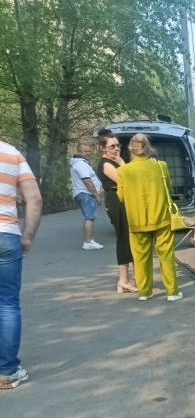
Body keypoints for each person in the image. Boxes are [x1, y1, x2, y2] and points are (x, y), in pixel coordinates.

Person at [116, 133, 182, 302]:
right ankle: (172, 292)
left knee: (140, 257)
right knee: (166, 255)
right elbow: (168, 187)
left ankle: (145, 292)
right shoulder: (161, 166)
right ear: (148, 148)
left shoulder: (122, 170)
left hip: (136, 220)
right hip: (161, 218)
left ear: (130, 149)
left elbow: (121, 196)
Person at [0, 140, 42, 389]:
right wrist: (27, 237)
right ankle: (7, 372)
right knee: (7, 304)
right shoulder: (11, 153)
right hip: (6, 235)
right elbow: (34, 199)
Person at [96, 129, 137, 294]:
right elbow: (127, 180)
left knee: (130, 239)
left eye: (118, 145)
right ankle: (123, 281)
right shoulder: (106, 164)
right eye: (112, 146)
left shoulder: (115, 161)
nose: (116, 149)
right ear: (103, 148)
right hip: (116, 202)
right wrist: (122, 163)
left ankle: (135, 277)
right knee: (124, 240)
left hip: (123, 201)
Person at [70, 142, 103, 250]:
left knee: (89, 217)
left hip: (85, 193)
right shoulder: (80, 164)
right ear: (79, 152)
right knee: (89, 217)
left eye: (89, 151)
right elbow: (87, 181)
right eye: (85, 151)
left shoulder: (81, 163)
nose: (88, 153)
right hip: (86, 194)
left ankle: (90, 240)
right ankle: (88, 242)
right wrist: (97, 195)